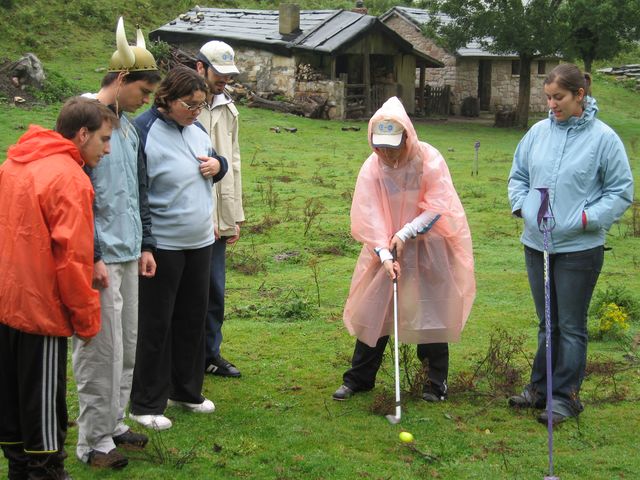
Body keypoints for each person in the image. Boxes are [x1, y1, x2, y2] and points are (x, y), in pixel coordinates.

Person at [507, 63, 634, 425]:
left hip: (579, 250)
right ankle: (539, 389)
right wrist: (523, 208)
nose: (551, 105)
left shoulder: (604, 139)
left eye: (558, 97)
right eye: (547, 97)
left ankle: (565, 398)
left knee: (571, 325)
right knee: (547, 322)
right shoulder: (536, 133)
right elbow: (518, 176)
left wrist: (584, 219)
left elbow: (620, 192)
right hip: (537, 244)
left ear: (580, 95)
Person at [0, 97, 117, 480]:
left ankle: (20, 470)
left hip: (6, 305)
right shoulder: (69, 178)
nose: (107, 148)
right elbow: (73, 259)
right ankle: (47, 471)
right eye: (103, 138)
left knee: (12, 407)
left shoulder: (15, 163)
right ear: (82, 134)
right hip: (40, 312)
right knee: (45, 416)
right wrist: (86, 321)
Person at [332, 96, 476, 403]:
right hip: (385, 247)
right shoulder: (372, 167)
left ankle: (433, 382)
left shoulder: (429, 159)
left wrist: (407, 232)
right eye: (379, 145)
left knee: (430, 310)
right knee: (375, 308)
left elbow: (439, 204)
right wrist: (384, 254)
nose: (385, 152)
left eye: (392, 145)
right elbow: (369, 214)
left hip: (429, 246)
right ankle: (359, 378)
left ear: (407, 137)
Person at [71, 17, 162, 469]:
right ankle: (92, 442)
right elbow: (77, 197)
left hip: (128, 252)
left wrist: (146, 243)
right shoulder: (86, 122)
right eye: (143, 92)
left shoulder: (126, 127)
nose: (146, 101)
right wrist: (93, 255)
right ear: (122, 79)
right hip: (100, 256)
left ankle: (115, 424)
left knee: (125, 345)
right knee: (99, 351)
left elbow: (137, 187)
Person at [129, 66, 228, 431]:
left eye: (201, 105)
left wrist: (219, 165)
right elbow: (136, 193)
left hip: (200, 243)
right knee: (156, 325)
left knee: (192, 319)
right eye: (190, 104)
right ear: (167, 99)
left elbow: (217, 162)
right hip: (162, 246)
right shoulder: (143, 132)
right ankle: (145, 403)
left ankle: (186, 392)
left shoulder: (197, 129)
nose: (196, 111)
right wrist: (145, 245)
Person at [195, 40, 245, 378]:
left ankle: (210, 354)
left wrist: (233, 216)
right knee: (189, 291)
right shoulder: (185, 107)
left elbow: (234, 164)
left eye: (228, 75)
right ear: (200, 68)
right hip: (192, 215)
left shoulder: (229, 109)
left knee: (215, 290)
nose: (224, 80)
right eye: (218, 73)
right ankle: (184, 356)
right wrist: (206, 218)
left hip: (220, 216)